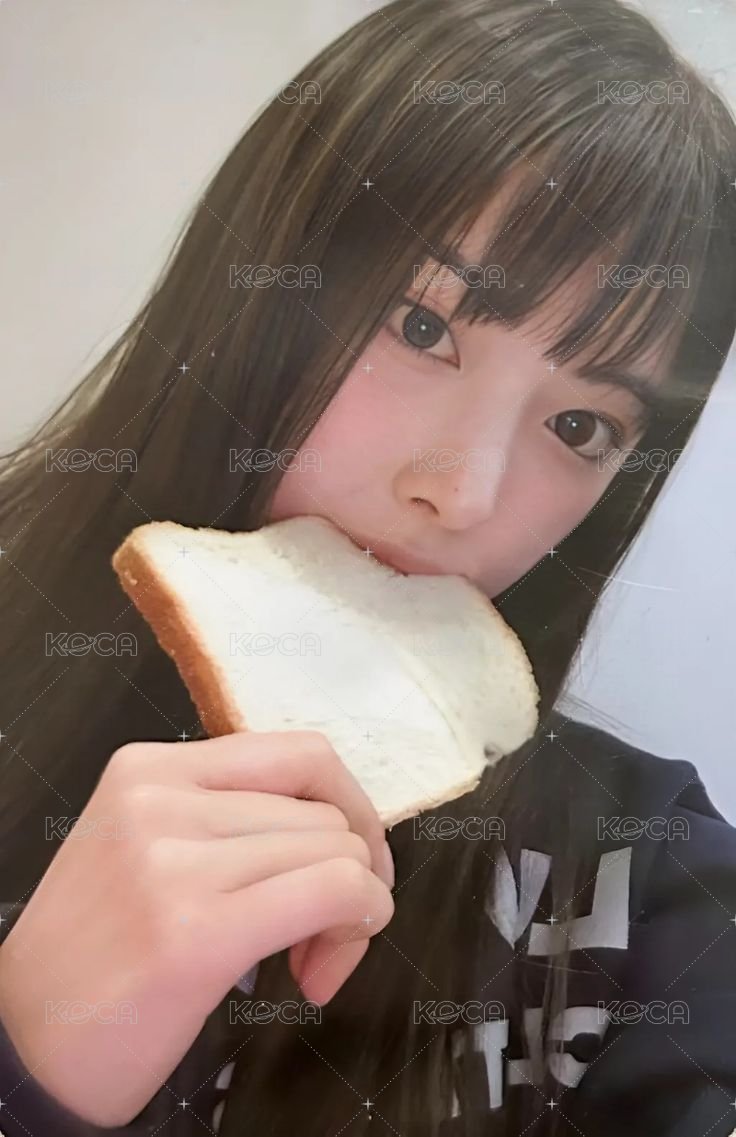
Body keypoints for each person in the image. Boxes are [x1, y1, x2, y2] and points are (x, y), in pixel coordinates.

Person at [1, 0, 735, 1134]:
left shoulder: (646, 880)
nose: (464, 493)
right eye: (423, 325)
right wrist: (31, 1068)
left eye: (580, 426)